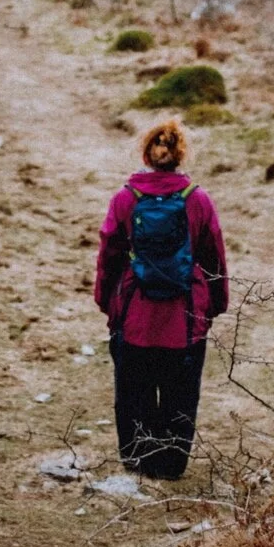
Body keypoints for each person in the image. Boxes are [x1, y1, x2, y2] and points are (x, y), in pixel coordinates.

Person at [92, 119, 228, 479]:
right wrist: (213, 305)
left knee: (134, 394)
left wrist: (107, 303)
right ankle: (170, 466)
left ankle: (138, 462)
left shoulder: (125, 199)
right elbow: (213, 256)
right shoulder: (198, 200)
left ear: (147, 155)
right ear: (180, 156)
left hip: (135, 316)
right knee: (179, 397)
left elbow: (109, 255)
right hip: (184, 320)